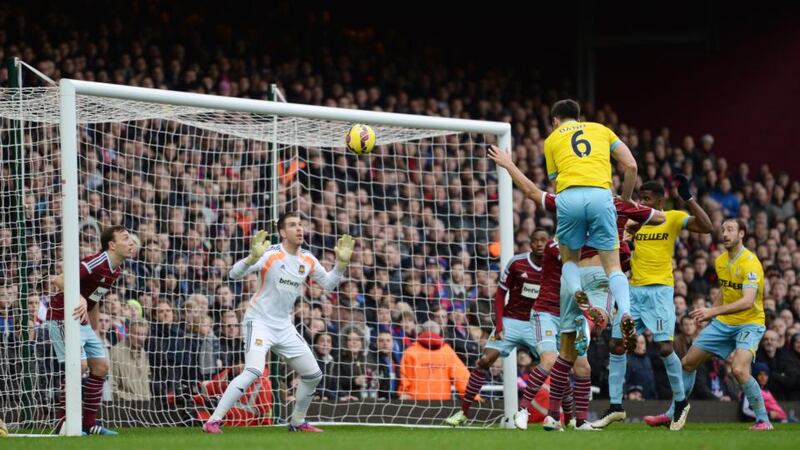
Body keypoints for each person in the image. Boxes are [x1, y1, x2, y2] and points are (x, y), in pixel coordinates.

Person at [202, 212, 354, 433]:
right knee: (254, 370)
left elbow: (329, 284)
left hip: (283, 326)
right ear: (283, 232)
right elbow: (234, 274)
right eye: (293, 225)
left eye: (301, 224)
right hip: (259, 321)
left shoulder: (308, 259)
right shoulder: (270, 254)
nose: (299, 229)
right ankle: (213, 420)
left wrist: (341, 264)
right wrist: (252, 258)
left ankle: (297, 421)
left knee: (313, 374)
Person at [597, 179, 711, 430]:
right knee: (616, 344)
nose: (643, 202)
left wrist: (689, 199)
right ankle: (615, 406)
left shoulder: (670, 218)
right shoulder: (634, 221)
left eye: (647, 199)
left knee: (664, 347)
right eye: (641, 197)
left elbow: (706, 226)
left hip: (659, 292)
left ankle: (680, 403)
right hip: (634, 291)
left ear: (660, 201)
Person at [652, 219, 773, 431]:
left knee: (738, 369)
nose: (725, 234)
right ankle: (674, 412)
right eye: (723, 230)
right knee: (688, 362)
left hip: (750, 323)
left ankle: (763, 420)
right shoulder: (720, 261)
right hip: (723, 323)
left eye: (730, 230)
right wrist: (711, 315)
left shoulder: (751, 263)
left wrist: (712, 311)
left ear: (742, 234)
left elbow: (747, 301)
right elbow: (724, 292)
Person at [540, 99, 639, 355]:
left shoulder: (551, 140)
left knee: (569, 258)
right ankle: (625, 311)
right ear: (579, 117)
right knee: (613, 265)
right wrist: (626, 198)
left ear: (555, 121)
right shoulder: (601, 129)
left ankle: (578, 293)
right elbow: (631, 166)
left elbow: (555, 181)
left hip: (569, 195)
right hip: (600, 194)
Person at [445, 230, 548, 426]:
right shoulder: (517, 263)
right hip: (510, 322)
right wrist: (499, 324)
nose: (540, 244)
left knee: (554, 364)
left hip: (536, 323)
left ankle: (561, 417)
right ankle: (463, 413)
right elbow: (500, 294)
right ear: (530, 243)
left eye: (544, 241)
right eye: (535, 241)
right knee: (484, 360)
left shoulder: (554, 267)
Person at [46, 225, 136, 435]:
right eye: (125, 238)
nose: (131, 242)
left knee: (101, 366)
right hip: (61, 317)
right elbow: (59, 280)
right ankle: (63, 423)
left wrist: (93, 330)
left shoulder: (116, 271)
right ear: (112, 245)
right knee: (79, 366)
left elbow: (93, 301)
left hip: (82, 321)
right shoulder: (96, 261)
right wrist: (78, 297)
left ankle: (89, 424)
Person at [398, 321, 469, 401]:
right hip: (441, 403)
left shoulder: (410, 352)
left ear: (420, 332)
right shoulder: (447, 352)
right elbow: (462, 378)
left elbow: (404, 378)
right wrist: (473, 397)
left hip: (416, 403)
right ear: (439, 332)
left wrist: (403, 393)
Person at [109, 319, 151, 401]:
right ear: (128, 333)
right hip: (125, 407)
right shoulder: (116, 352)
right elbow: (112, 386)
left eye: (143, 334)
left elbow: (148, 379)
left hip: (145, 406)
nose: (140, 338)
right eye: (137, 334)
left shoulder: (144, 353)